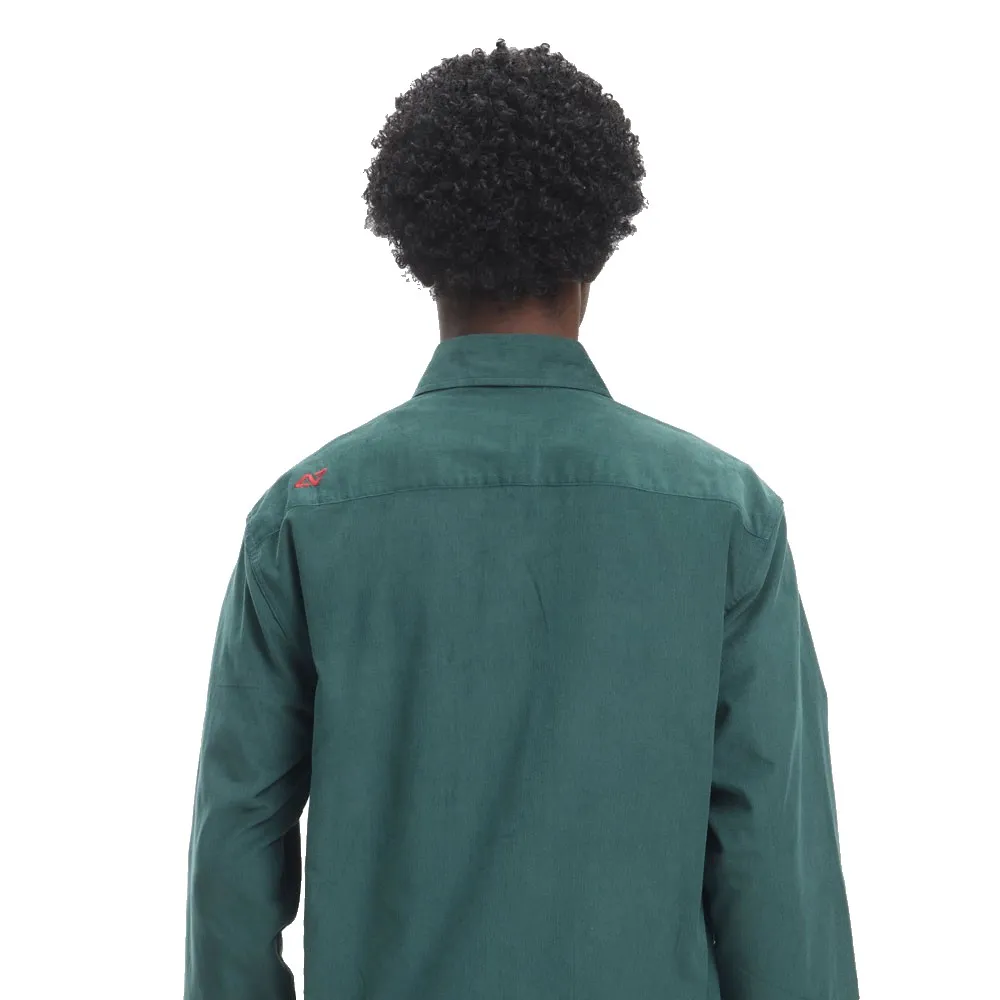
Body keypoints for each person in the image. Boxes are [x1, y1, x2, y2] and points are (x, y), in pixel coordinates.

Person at [184, 38, 859, 1000]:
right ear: (596, 256)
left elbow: (235, 850)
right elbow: (776, 875)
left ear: (422, 261)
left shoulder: (306, 513)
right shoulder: (726, 515)